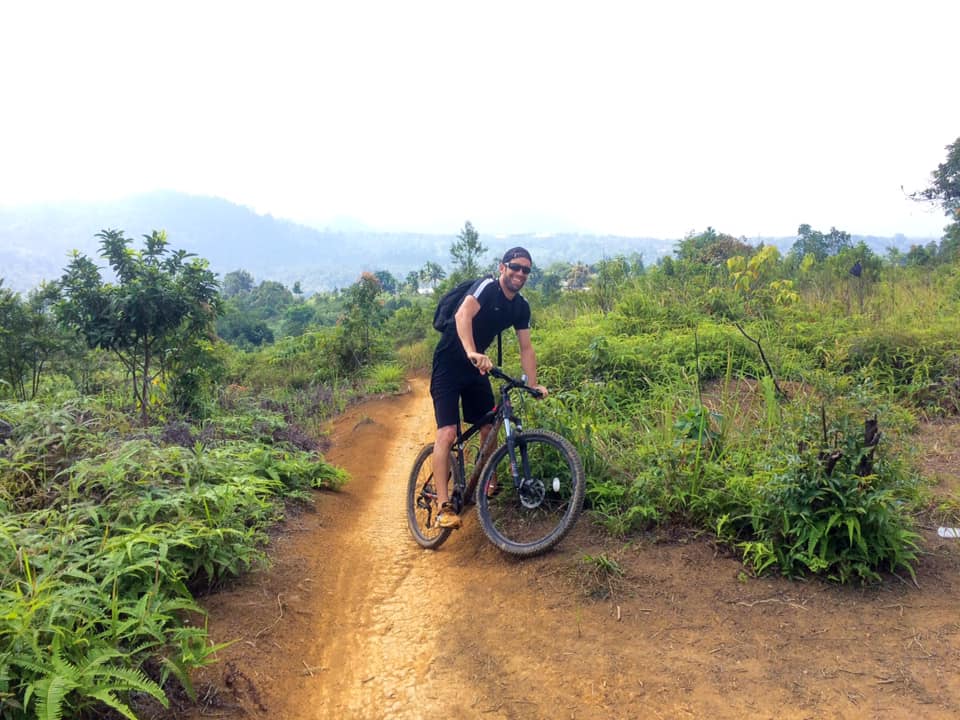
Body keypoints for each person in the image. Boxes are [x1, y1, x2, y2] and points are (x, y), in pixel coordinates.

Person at [429, 246, 548, 529]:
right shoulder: (487, 288)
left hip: (476, 367)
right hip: (448, 363)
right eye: (515, 266)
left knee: (488, 425)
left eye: (526, 270)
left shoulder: (521, 306)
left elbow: (526, 348)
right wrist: (471, 351)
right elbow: (462, 316)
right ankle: (443, 506)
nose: (520, 273)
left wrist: (533, 385)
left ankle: (486, 482)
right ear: (502, 267)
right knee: (447, 433)